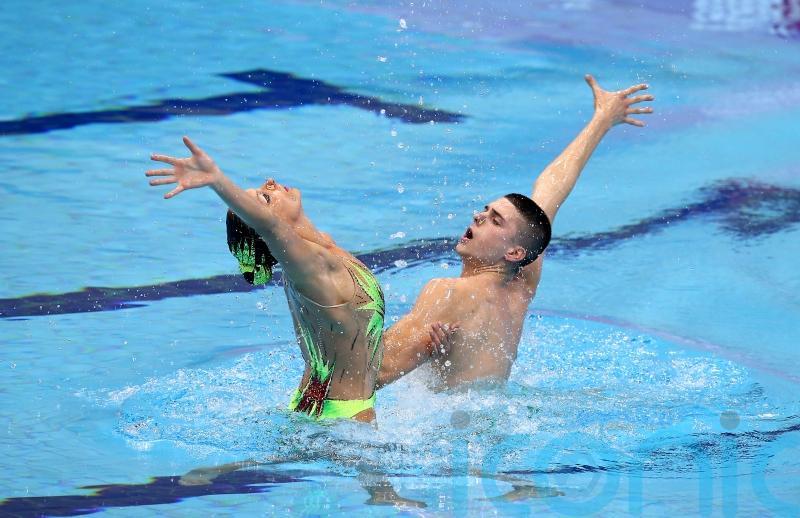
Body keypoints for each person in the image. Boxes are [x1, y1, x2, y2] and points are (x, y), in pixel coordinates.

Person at [378, 74, 654, 389]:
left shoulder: (446, 292)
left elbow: (368, 375)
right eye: (485, 210)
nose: (479, 217)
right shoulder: (520, 285)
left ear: (514, 252)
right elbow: (551, 188)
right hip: (490, 428)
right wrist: (602, 120)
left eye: (496, 220)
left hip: (441, 433)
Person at [146, 137, 387, 422]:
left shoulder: (317, 254)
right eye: (265, 198)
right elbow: (269, 226)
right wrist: (216, 179)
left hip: (316, 404)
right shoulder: (313, 266)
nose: (270, 182)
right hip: (345, 416)